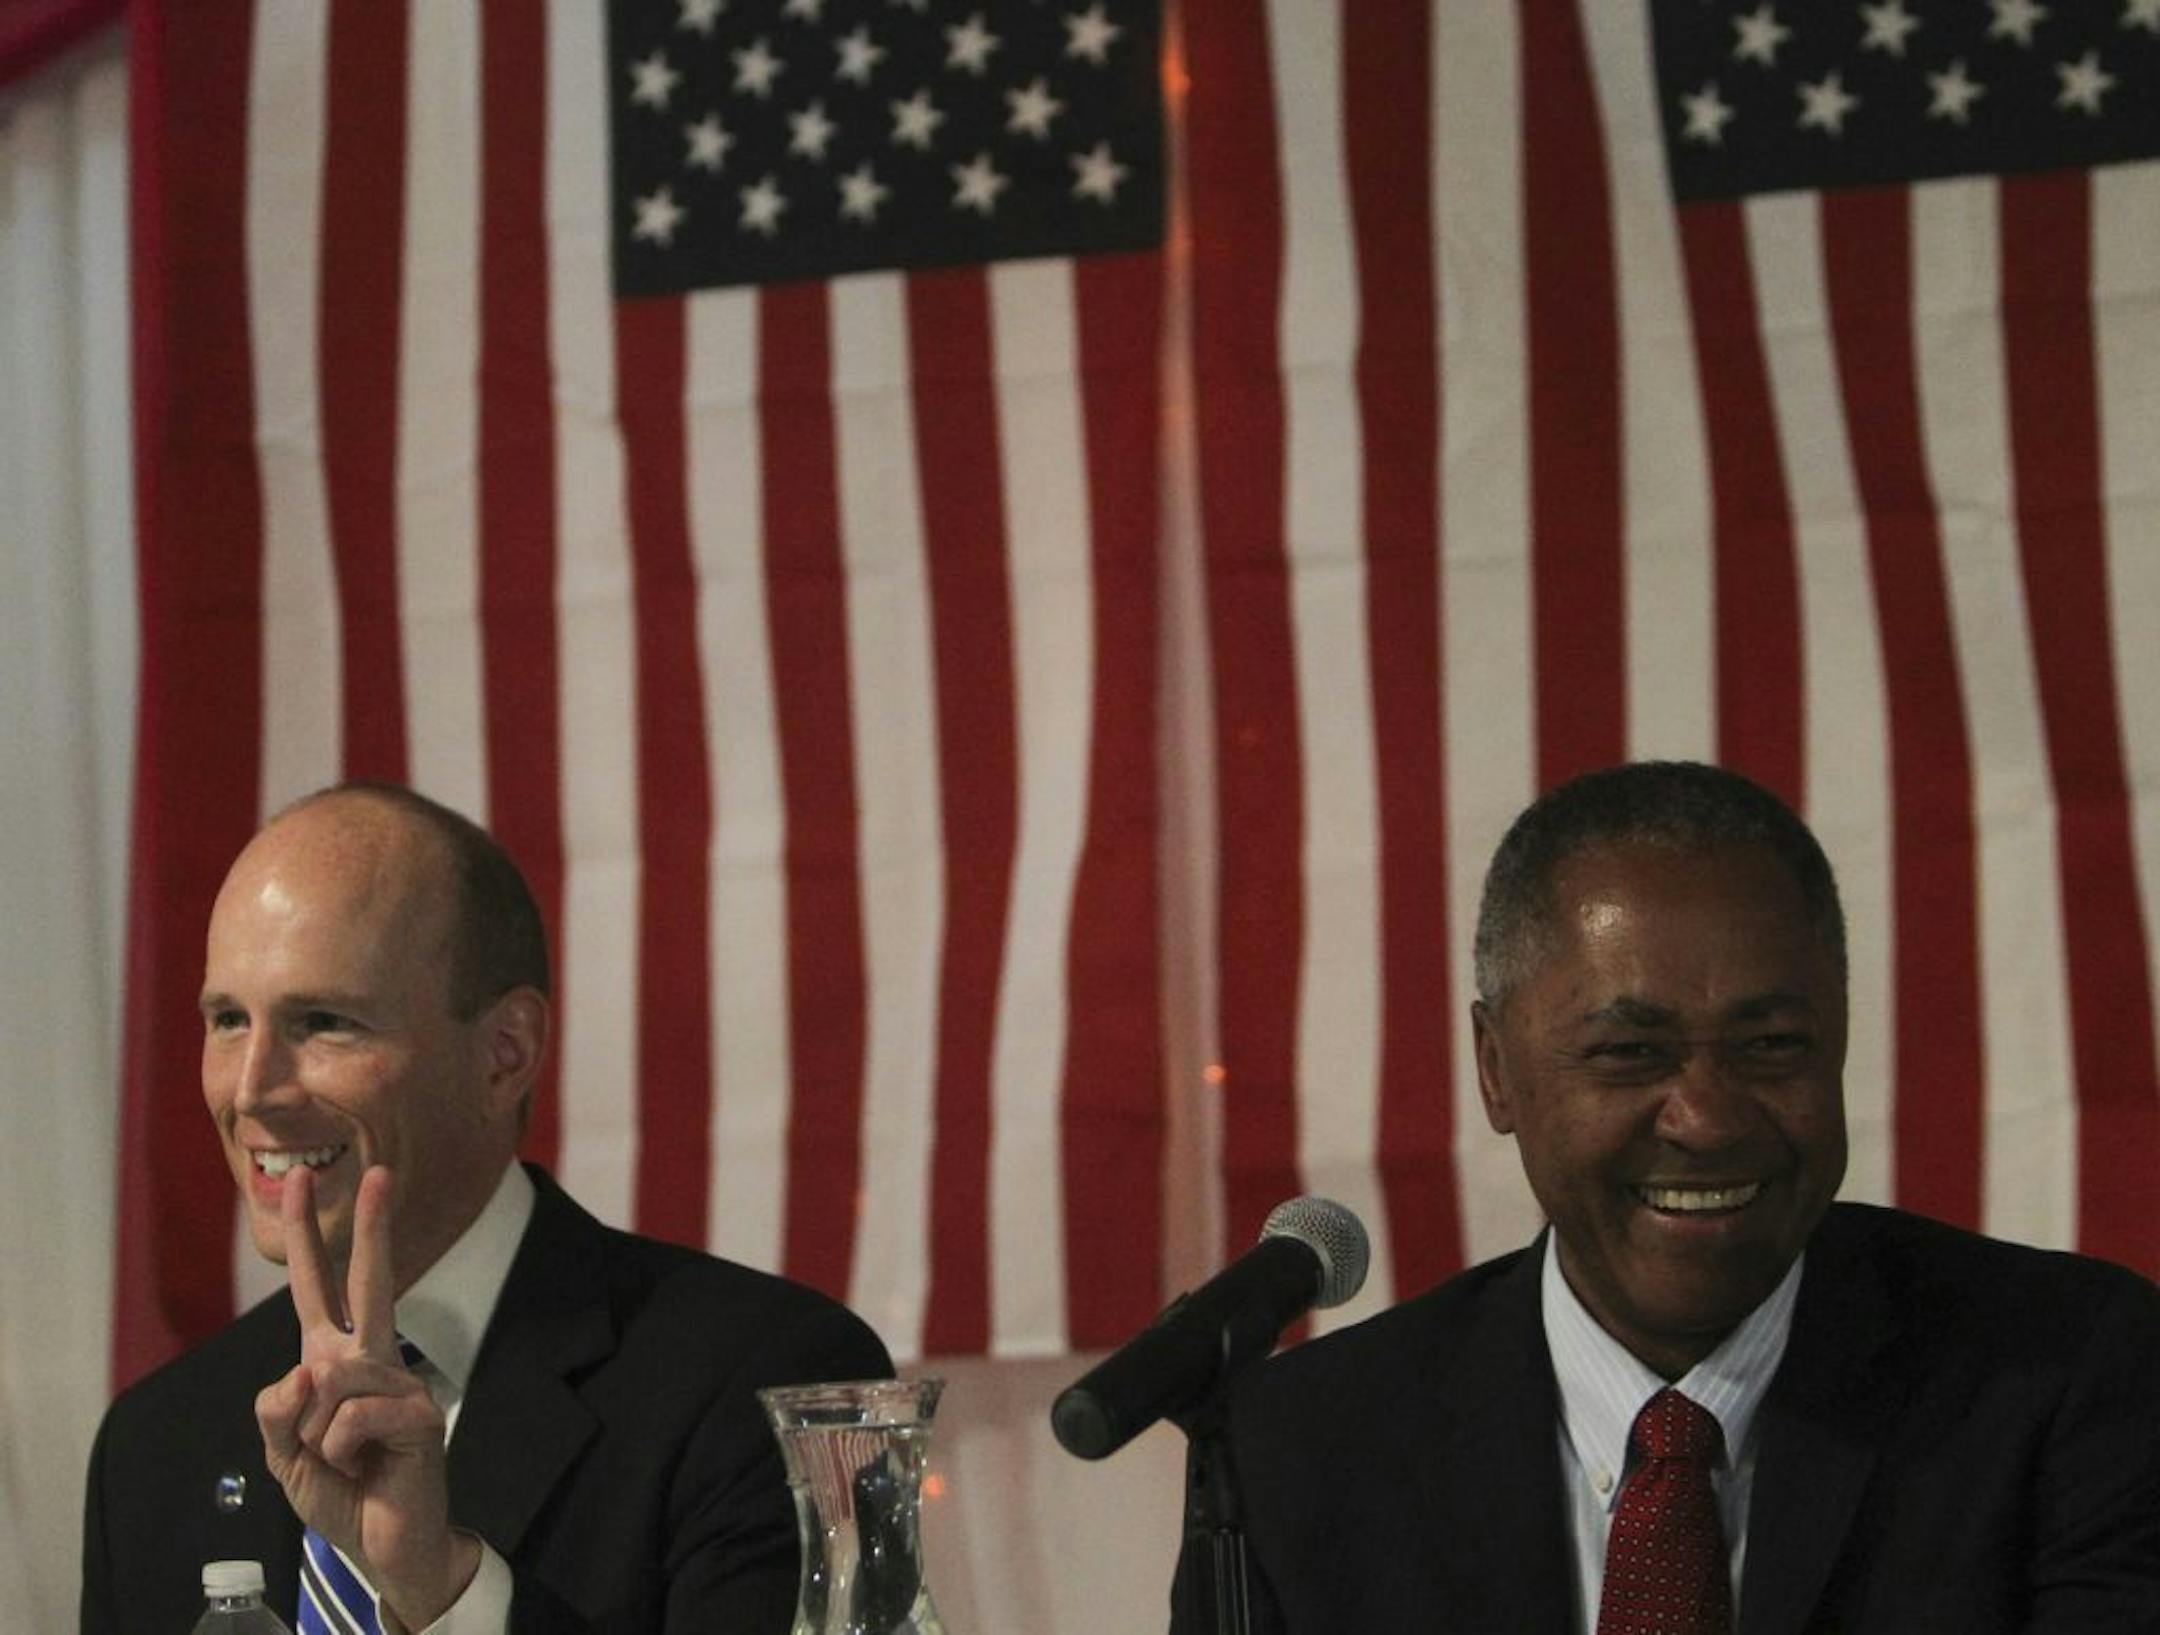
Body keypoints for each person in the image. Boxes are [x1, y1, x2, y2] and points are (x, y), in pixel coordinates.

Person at [1169, 761, 2160, 1633]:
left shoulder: (2066, 1376)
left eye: (1771, 1048)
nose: (1708, 1118)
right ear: (1496, 1070)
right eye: (1631, 1053)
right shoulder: (1306, 1451)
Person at [82, 783, 893, 1634]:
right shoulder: (155, 1446)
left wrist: (444, 1589)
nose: (251, 1091)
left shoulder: (769, 1382)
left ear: (505, 1052)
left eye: (324, 1021)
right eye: (228, 1020)